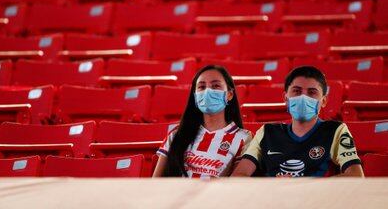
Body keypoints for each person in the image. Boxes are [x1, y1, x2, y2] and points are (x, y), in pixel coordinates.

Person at [232, 66, 364, 177]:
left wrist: (302, 186)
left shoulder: (335, 130)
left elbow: (356, 175)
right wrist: (270, 186)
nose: (303, 97)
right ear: (286, 97)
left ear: (323, 101)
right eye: (297, 91)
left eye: (312, 92)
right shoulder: (267, 132)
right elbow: (239, 176)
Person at [153, 65, 251, 178]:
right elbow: (156, 183)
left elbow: (238, 184)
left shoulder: (244, 138)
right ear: (195, 96)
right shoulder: (177, 134)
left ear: (229, 94)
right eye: (201, 87)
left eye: (216, 86)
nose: (208, 91)